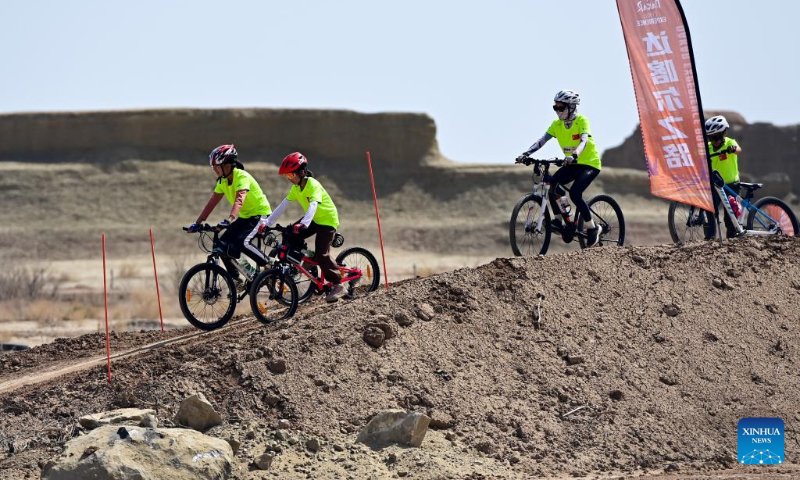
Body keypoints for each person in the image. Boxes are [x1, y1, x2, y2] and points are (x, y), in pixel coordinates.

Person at [516, 89, 602, 246]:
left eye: (560, 107)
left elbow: (584, 141)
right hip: (571, 164)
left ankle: (592, 227)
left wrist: (574, 155)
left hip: (589, 163)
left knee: (575, 194)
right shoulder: (556, 125)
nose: (557, 110)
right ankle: (559, 220)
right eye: (555, 107)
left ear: (571, 107)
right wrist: (526, 153)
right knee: (552, 185)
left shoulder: (581, 120)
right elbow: (542, 140)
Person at [262, 152, 344, 303]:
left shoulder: (313, 184)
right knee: (290, 234)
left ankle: (337, 284)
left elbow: (313, 206)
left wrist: (304, 224)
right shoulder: (296, 188)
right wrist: (266, 223)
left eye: (291, 175)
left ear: (302, 172)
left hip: (327, 220)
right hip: (314, 219)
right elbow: (282, 206)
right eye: (287, 176)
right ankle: (307, 255)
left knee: (322, 254)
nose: (290, 179)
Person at [188, 144, 272, 290]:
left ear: (227, 165)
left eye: (217, 166)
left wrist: (230, 219)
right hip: (246, 217)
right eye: (213, 167)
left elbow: (240, 198)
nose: (215, 170)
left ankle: (270, 264)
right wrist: (197, 223)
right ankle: (238, 278)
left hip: (260, 214)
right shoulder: (223, 181)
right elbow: (211, 203)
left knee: (243, 242)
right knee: (222, 246)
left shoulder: (242, 176)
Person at [705, 115, 742, 239]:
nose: (715, 140)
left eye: (717, 137)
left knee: (729, 216)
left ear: (724, 133)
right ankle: (710, 237)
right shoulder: (708, 148)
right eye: (711, 138)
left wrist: (733, 149)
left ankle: (732, 239)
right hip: (715, 186)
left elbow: (739, 150)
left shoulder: (730, 142)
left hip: (731, 185)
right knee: (709, 209)